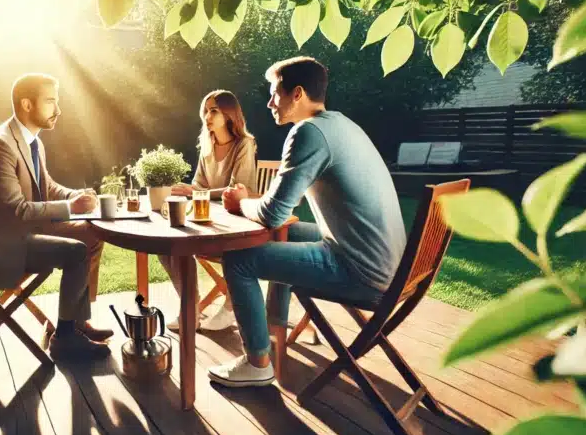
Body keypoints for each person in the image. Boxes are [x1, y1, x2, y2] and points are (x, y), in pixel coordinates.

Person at [209, 57, 406, 387]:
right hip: (390, 262)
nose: (270, 102)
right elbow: (287, 204)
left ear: (296, 94)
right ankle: (274, 332)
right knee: (285, 234)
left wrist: (240, 202)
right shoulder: (341, 124)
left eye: (275, 93)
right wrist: (256, 202)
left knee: (239, 260)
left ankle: (257, 362)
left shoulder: (308, 133)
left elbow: (272, 214)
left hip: (363, 271)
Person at [0, 73, 113, 361]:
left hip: (23, 234)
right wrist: (72, 209)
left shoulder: (32, 141)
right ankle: (65, 339)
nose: (58, 110)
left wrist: (73, 196)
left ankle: (77, 323)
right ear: (27, 105)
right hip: (1, 248)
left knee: (92, 233)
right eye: (51, 102)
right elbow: (16, 209)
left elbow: (47, 187)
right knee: (76, 251)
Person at [162, 90, 257, 332]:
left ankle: (231, 306)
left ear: (229, 114)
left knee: (181, 242)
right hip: (210, 220)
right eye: (205, 110)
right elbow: (199, 186)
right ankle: (191, 305)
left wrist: (195, 192)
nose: (207, 115)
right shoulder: (207, 147)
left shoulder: (244, 144)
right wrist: (186, 190)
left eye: (214, 110)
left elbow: (239, 188)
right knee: (166, 245)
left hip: (237, 223)